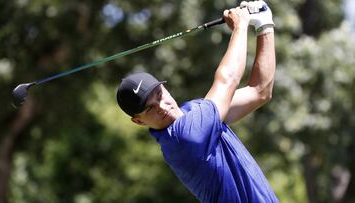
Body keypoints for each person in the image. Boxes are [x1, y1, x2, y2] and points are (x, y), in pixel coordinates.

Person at [116, 1, 278, 202]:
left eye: (159, 95)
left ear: (164, 87)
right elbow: (228, 79)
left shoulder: (195, 113)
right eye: (149, 108)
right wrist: (241, 25)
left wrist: (264, 25)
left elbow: (260, 91)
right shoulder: (183, 137)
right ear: (139, 121)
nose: (161, 106)